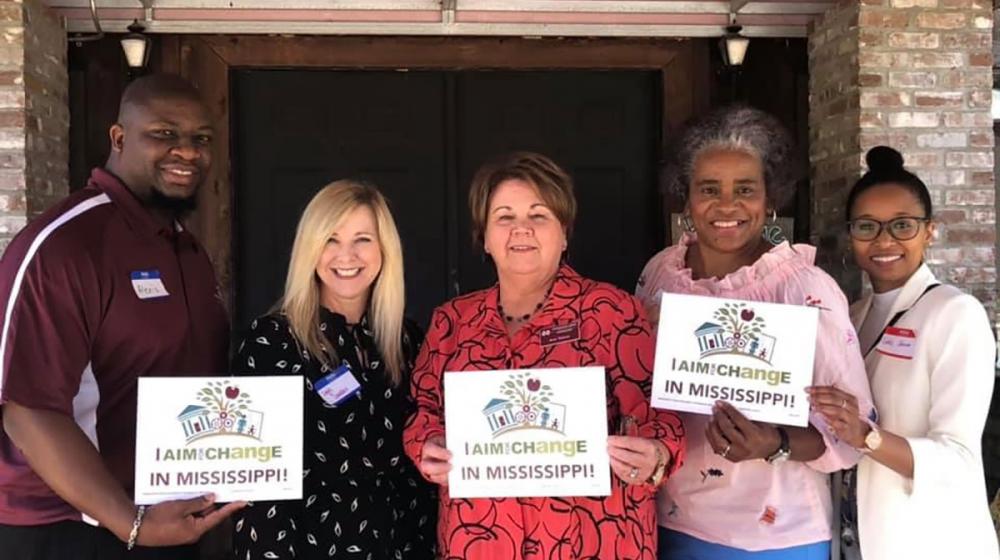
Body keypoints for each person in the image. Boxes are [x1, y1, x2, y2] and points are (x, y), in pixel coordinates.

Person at [0, 74, 243, 559]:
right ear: (118, 138)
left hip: (162, 519)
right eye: (165, 134)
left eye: (201, 139)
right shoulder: (65, 246)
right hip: (71, 527)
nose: (188, 152)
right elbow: (27, 410)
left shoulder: (187, 250)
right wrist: (129, 522)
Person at [403, 151, 685, 558]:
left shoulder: (611, 311)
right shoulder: (453, 321)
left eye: (538, 215)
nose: (522, 229)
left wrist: (655, 454)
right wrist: (426, 447)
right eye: (504, 216)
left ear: (564, 233)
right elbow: (422, 411)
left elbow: (662, 412)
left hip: (596, 542)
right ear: (484, 235)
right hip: (481, 542)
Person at [634, 106, 872, 559]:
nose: (727, 206)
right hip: (670, 518)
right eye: (709, 190)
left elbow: (846, 432)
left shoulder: (805, 290)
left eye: (745, 190)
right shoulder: (661, 273)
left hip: (774, 534)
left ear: (770, 199)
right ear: (686, 198)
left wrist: (775, 442)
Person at [809, 146, 1000, 560]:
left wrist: (866, 436)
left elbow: (959, 458)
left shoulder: (954, 314)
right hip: (854, 537)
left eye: (902, 226)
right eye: (866, 227)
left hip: (926, 541)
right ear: (851, 234)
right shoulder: (852, 318)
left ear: (929, 231)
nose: (884, 241)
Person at [231, 180, 436, 559]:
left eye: (363, 239)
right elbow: (258, 486)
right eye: (330, 239)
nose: (347, 255)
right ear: (310, 248)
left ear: (384, 249)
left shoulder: (407, 341)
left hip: (400, 545)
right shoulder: (273, 341)